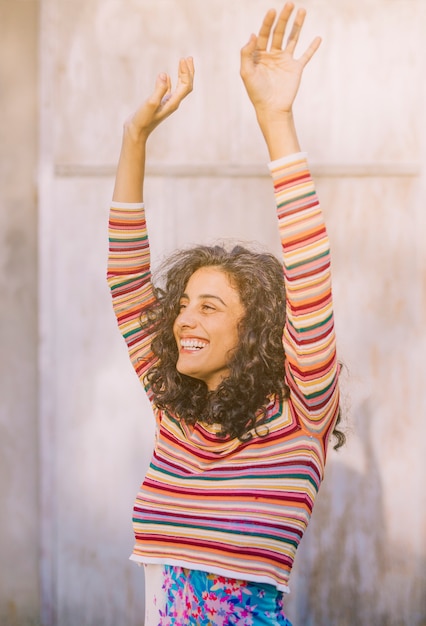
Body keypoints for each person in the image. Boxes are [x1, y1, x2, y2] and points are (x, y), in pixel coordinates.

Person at [107, 3, 344, 624]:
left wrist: (275, 118)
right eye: (183, 304)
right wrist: (135, 138)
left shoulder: (301, 412)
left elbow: (310, 270)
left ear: (255, 330)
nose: (184, 318)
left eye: (210, 307)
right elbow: (128, 284)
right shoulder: (174, 414)